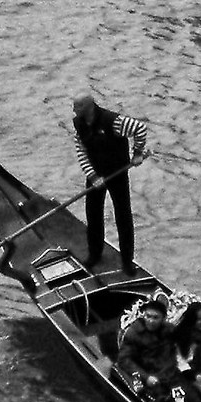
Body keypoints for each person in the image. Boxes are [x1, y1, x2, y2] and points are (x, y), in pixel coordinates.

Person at [72, 92, 149, 269]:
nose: (74, 110)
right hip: (95, 175)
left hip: (118, 173)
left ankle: (127, 262)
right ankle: (95, 255)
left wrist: (137, 153)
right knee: (93, 215)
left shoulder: (114, 121)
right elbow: (81, 151)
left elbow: (140, 128)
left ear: (89, 106)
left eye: (77, 107)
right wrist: (93, 177)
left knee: (123, 217)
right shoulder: (79, 124)